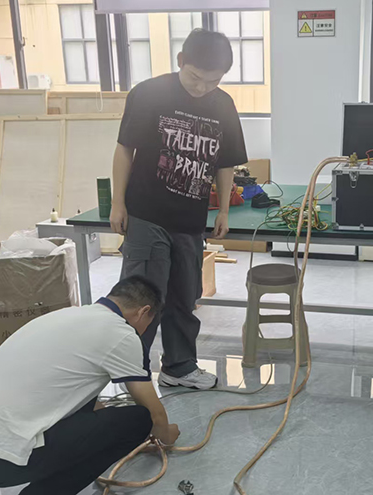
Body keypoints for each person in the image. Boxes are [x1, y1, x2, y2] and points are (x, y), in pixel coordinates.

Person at [109, 28, 248, 390]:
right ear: (180, 61)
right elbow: (125, 149)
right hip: (147, 213)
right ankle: (131, 373)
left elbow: (225, 163)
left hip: (189, 221)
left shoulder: (223, 105)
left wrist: (223, 211)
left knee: (185, 298)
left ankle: (179, 366)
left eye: (213, 81)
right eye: (195, 77)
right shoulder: (148, 93)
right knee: (141, 299)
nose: (202, 88)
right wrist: (117, 202)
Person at [0, 276, 180, 494]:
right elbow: (154, 415)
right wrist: (166, 435)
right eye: (148, 324)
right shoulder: (121, 333)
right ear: (143, 312)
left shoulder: (67, 315)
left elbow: (80, 398)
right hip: (3, 459)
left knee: (94, 406)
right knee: (138, 420)